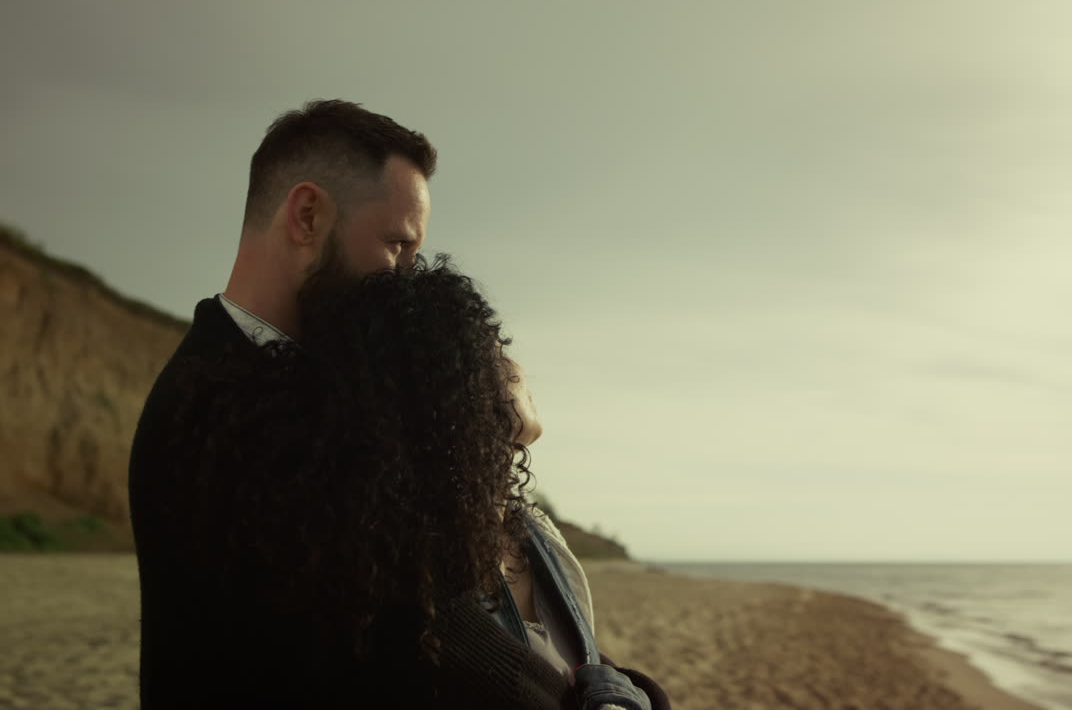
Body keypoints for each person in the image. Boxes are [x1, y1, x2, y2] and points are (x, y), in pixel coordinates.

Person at [127, 99, 668, 709]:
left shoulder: (315, 384)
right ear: (307, 217)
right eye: (396, 246)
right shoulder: (216, 410)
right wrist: (497, 433)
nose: (407, 281)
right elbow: (440, 632)